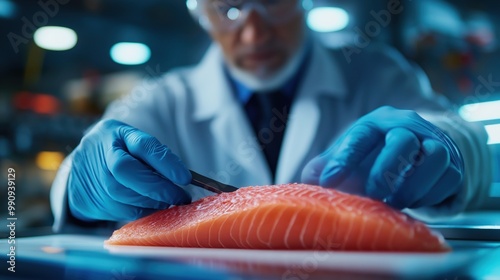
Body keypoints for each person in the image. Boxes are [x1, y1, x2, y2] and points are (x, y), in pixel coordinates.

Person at [51, 0, 492, 232]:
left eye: (273, 0)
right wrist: (76, 186)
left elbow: (461, 131)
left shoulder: (376, 70)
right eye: (228, 6)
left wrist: (449, 144)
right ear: (202, 14)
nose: (254, 30)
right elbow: (93, 160)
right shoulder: (160, 98)